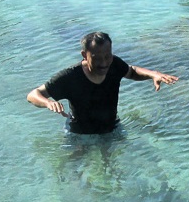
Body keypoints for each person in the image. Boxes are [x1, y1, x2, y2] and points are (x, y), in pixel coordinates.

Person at [27, 32, 179, 134]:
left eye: (107, 56)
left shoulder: (114, 65)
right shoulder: (70, 76)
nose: (104, 63)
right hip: (79, 134)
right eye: (97, 58)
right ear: (84, 55)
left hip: (111, 128)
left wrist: (153, 74)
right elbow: (33, 95)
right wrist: (48, 103)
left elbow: (131, 71)